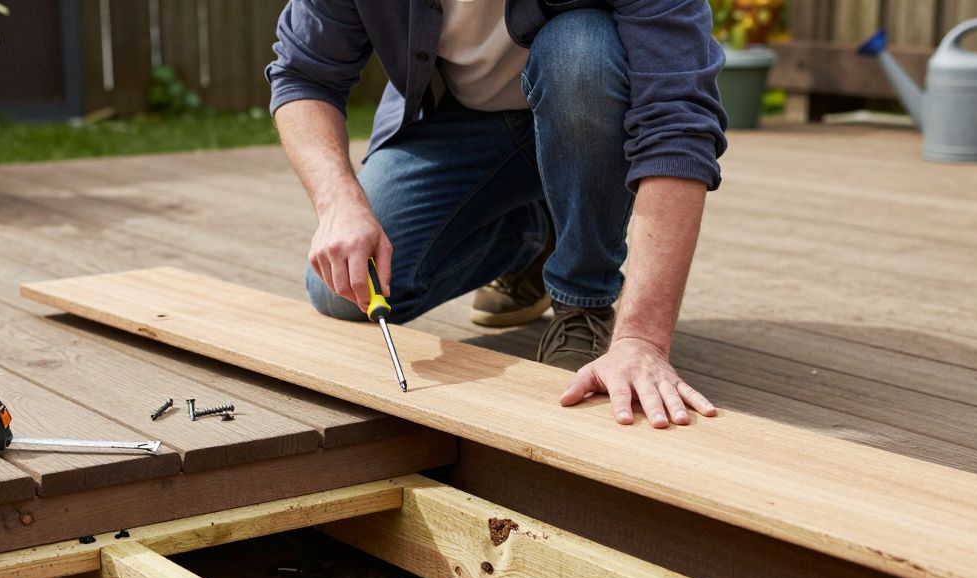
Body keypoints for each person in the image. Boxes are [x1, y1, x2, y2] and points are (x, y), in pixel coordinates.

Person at [267, 0, 726, 428]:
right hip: (456, 123)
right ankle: (533, 236)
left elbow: (677, 123)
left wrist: (641, 341)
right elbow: (304, 76)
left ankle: (582, 297)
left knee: (579, 48)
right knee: (344, 290)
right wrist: (339, 204)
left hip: (588, 109)